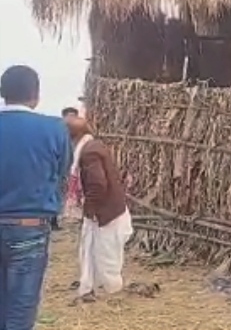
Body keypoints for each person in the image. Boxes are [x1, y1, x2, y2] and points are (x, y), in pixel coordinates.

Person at [0, 65, 72, 329]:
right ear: (36, 94)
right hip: (29, 228)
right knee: (20, 310)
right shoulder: (53, 128)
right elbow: (62, 171)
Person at [66, 116, 133, 302]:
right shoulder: (93, 146)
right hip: (109, 210)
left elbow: (97, 184)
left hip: (107, 214)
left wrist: (90, 209)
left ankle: (111, 292)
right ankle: (98, 288)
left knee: (105, 256)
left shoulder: (89, 152)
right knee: (100, 252)